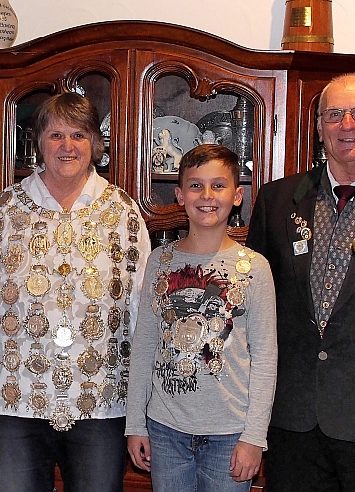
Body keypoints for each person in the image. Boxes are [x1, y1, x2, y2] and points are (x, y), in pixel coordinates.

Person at [0, 92, 151, 492]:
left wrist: (144, 390)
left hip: (101, 396)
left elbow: (141, 302)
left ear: (95, 143)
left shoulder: (122, 211)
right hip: (14, 389)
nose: (67, 146)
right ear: (39, 142)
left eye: (78, 135)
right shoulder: (8, 207)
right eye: (56, 134)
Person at [246, 73, 355, 492]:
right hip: (292, 419)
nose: (348, 125)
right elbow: (252, 311)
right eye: (335, 114)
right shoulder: (275, 201)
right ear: (319, 128)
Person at [126, 144, 277, 492]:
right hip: (165, 429)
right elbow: (145, 345)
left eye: (218, 185)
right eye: (196, 185)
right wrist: (135, 424)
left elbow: (265, 358)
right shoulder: (159, 261)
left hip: (230, 433)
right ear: (180, 195)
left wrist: (254, 436)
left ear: (237, 196)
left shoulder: (255, 268)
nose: (207, 195)